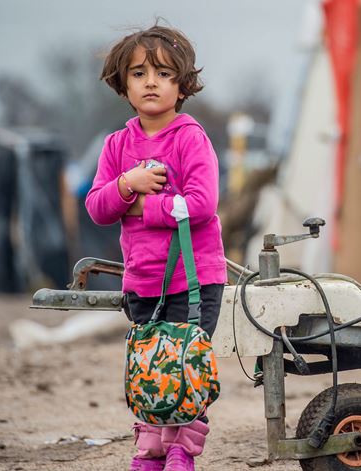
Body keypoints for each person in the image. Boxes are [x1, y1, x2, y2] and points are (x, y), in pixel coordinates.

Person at [86, 25, 225, 471]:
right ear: (122, 84)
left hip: (194, 279)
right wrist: (128, 184)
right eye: (139, 73)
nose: (151, 82)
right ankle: (150, 452)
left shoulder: (190, 138)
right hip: (142, 280)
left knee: (184, 365)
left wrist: (144, 206)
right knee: (149, 367)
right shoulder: (117, 144)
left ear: (182, 85)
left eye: (164, 74)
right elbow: (97, 207)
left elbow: (202, 205)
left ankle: (182, 451)